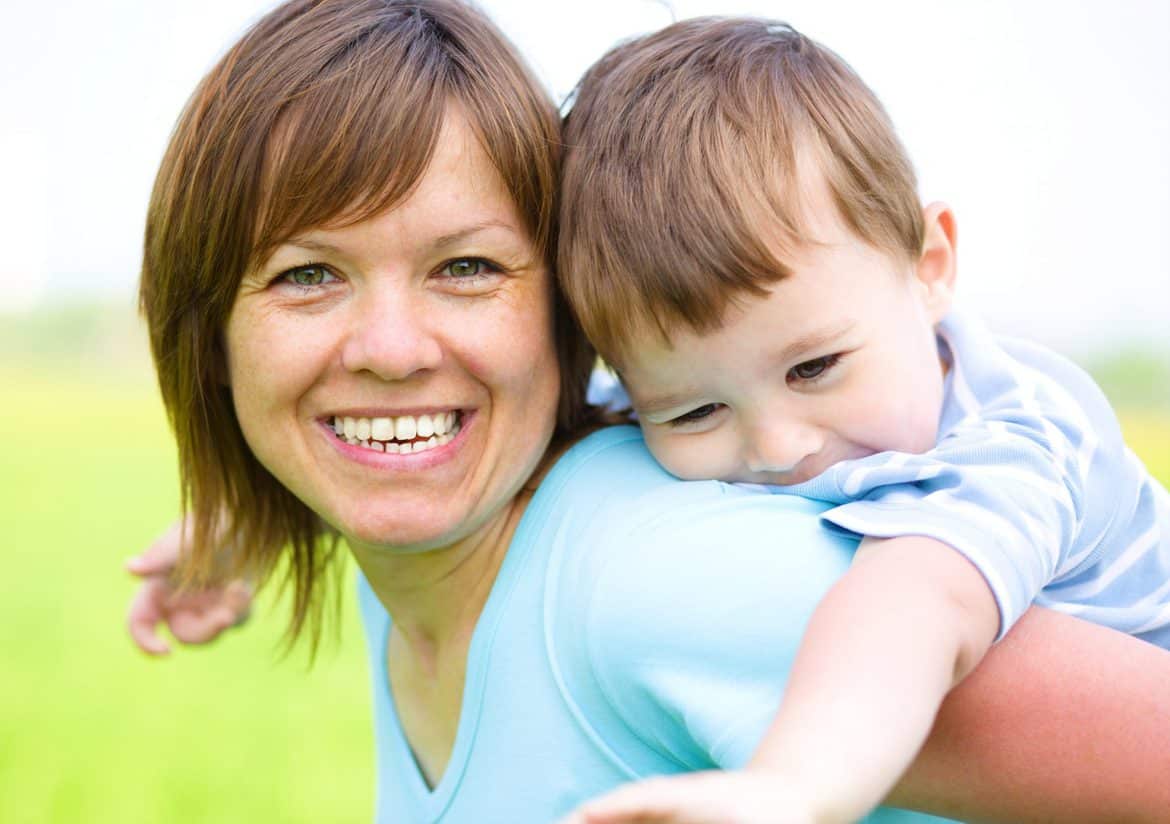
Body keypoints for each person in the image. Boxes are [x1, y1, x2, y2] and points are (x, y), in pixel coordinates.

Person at [127, 1, 1170, 822]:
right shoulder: (424, 538)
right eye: (308, 275)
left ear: (561, 316)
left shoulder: (656, 581)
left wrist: (796, 789)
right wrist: (253, 517)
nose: (393, 350)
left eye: (468, 265)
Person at [552, 16, 1170, 823]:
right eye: (694, 411)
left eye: (814, 368)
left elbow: (916, 604)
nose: (778, 448)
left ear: (928, 266)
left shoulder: (1019, 442)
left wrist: (790, 787)